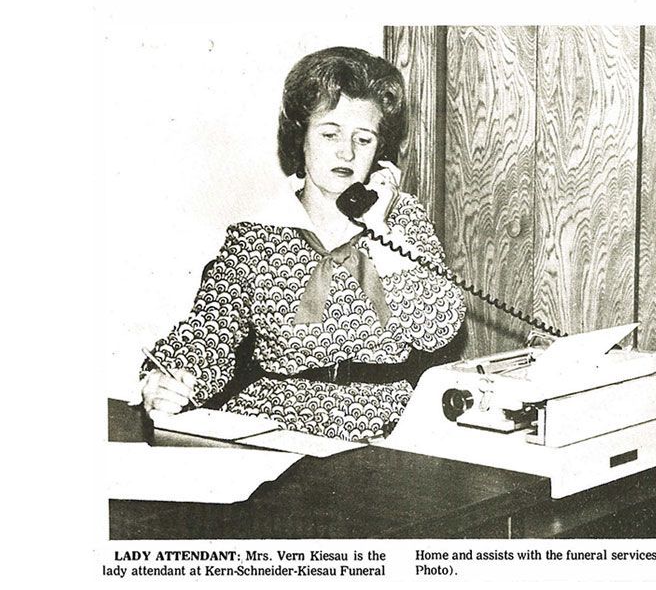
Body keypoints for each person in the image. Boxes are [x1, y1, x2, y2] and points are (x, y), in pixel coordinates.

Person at [139, 46, 465, 441]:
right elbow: (209, 330)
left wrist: (378, 228)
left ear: (380, 152)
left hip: (387, 428)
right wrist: (169, 379)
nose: (346, 152)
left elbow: (439, 327)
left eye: (363, 139)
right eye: (330, 134)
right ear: (301, 137)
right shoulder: (257, 236)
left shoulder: (400, 222)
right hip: (272, 424)